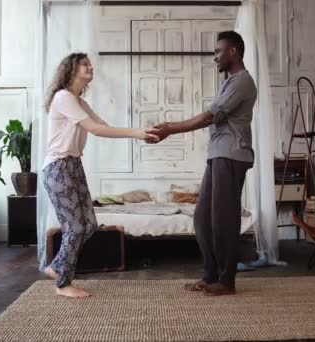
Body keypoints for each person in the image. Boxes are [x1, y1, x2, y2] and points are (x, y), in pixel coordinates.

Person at [148, 31, 257, 296]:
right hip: (219, 154)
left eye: (219, 51)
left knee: (223, 219)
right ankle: (210, 276)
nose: (215, 56)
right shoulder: (229, 81)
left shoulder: (242, 81)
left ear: (233, 51)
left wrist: (170, 128)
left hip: (231, 154)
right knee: (202, 218)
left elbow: (209, 117)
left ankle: (226, 281)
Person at [42, 53, 159, 298]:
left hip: (73, 165)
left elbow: (102, 127)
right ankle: (63, 284)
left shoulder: (79, 102)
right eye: (85, 64)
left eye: (89, 63)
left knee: (89, 225)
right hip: (58, 168)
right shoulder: (63, 97)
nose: (90, 67)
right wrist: (138, 134)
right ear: (71, 69)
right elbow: (95, 129)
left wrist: (140, 132)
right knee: (74, 228)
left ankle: (56, 267)